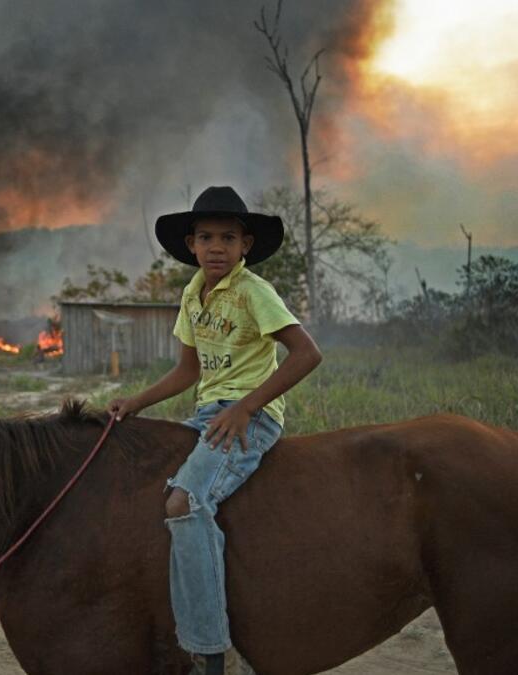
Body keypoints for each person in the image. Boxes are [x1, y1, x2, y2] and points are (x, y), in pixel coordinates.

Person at [108, 186, 322, 675]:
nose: (216, 247)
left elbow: (308, 353)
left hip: (250, 416)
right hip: (207, 412)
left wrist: (247, 407)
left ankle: (212, 650)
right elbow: (188, 371)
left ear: (246, 244)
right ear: (191, 245)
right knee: (142, 487)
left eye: (228, 237)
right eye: (206, 237)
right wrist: (135, 403)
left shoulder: (254, 292)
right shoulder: (192, 294)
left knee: (186, 501)